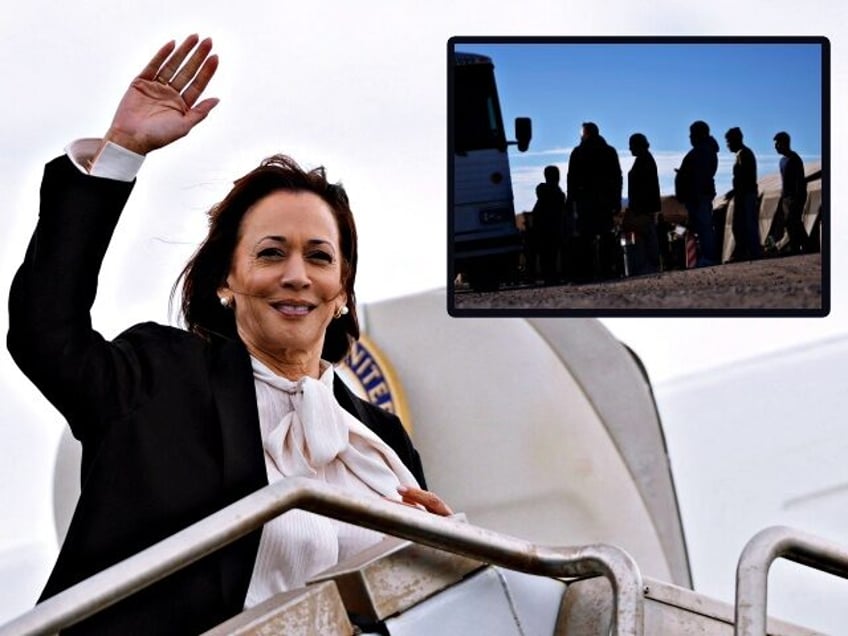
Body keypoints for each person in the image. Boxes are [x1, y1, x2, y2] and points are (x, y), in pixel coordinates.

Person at [7, 35, 450, 634]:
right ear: (226, 280)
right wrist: (122, 152)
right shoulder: (159, 378)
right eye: (271, 254)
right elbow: (44, 331)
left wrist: (440, 552)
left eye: (319, 257)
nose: (296, 276)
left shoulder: (381, 442)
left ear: (342, 289)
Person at [566, 122, 622, 281]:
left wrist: (571, 202)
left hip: (585, 203)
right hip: (605, 201)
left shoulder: (578, 152)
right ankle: (607, 269)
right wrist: (616, 200)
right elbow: (617, 178)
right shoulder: (609, 151)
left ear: (586, 133)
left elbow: (572, 180)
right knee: (606, 235)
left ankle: (587, 272)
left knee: (585, 238)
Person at [675, 120, 719, 267]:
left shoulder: (703, 151)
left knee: (704, 227)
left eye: (692, 134)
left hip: (698, 196)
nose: (690, 137)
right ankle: (706, 256)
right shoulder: (703, 151)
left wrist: (693, 191)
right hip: (697, 195)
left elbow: (700, 176)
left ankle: (709, 257)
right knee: (701, 227)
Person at [624, 133, 661, 274]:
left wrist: (637, 207)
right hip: (644, 207)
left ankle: (650, 265)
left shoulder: (644, 160)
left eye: (631, 145)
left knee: (646, 237)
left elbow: (643, 187)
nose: (629, 149)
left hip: (643, 208)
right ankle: (650, 265)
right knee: (647, 236)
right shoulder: (645, 159)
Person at [725, 127, 761, 261]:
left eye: (728, 141)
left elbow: (744, 178)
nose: (727, 145)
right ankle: (748, 251)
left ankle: (749, 252)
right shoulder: (744, 153)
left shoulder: (743, 154)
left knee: (744, 224)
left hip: (745, 195)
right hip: (744, 193)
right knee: (744, 224)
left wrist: (735, 191)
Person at [774, 131, 808, 254]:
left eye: (778, 143)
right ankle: (796, 246)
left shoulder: (794, 159)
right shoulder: (782, 161)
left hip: (795, 196)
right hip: (786, 197)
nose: (776, 146)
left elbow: (800, 179)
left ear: (784, 143)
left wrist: (798, 197)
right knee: (789, 223)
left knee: (794, 221)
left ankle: (805, 245)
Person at [532, 165, 567, 284]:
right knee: (551, 253)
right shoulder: (558, 194)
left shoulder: (543, 191)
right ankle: (551, 276)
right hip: (552, 228)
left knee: (546, 254)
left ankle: (549, 276)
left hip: (543, 228)